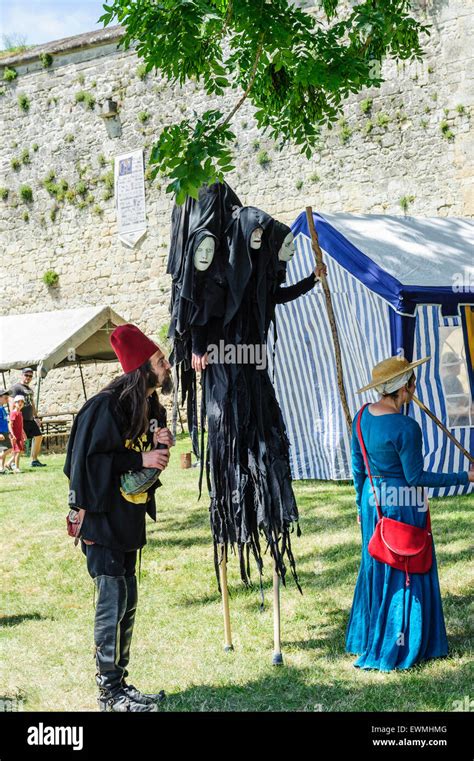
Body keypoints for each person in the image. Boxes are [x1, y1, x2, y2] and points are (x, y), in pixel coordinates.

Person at [64, 324, 175, 712]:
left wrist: (156, 444)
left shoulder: (145, 404)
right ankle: (108, 694)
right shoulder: (104, 406)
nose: (166, 366)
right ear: (142, 367)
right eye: (160, 361)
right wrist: (139, 458)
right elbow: (84, 465)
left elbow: (138, 454)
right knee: (111, 601)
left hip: (127, 519)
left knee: (127, 600)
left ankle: (120, 685)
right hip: (102, 519)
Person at [346, 356, 473, 672]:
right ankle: (402, 641)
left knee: (377, 565)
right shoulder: (406, 427)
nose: (414, 388)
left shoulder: (361, 417)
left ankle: (368, 637)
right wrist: (464, 477)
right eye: (412, 383)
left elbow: (357, 467)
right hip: (403, 504)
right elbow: (415, 478)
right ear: (404, 388)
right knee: (406, 566)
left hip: (372, 502)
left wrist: (360, 504)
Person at [9, 368, 46, 467]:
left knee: (38, 436)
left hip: (30, 419)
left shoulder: (30, 389)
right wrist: (12, 418)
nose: (28, 377)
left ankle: (34, 460)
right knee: (19, 441)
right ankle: (12, 463)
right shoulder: (16, 388)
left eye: (30, 376)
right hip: (20, 419)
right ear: (22, 375)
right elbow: (11, 402)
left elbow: (32, 403)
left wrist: (36, 416)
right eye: (26, 375)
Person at [7, 395, 26, 472]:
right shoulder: (13, 413)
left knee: (20, 451)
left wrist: (23, 433)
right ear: (15, 403)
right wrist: (12, 435)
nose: (20, 403)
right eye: (18, 402)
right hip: (14, 436)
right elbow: (9, 424)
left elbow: (20, 425)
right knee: (17, 451)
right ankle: (17, 468)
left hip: (19, 435)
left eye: (22, 402)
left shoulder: (20, 413)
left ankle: (8, 463)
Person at [0, 389, 13, 473]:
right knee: (10, 448)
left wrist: (9, 432)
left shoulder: (2, 408)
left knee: (4, 450)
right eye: (5, 398)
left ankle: (1, 468)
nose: (7, 400)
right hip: (1, 433)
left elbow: (5, 421)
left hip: (5, 432)